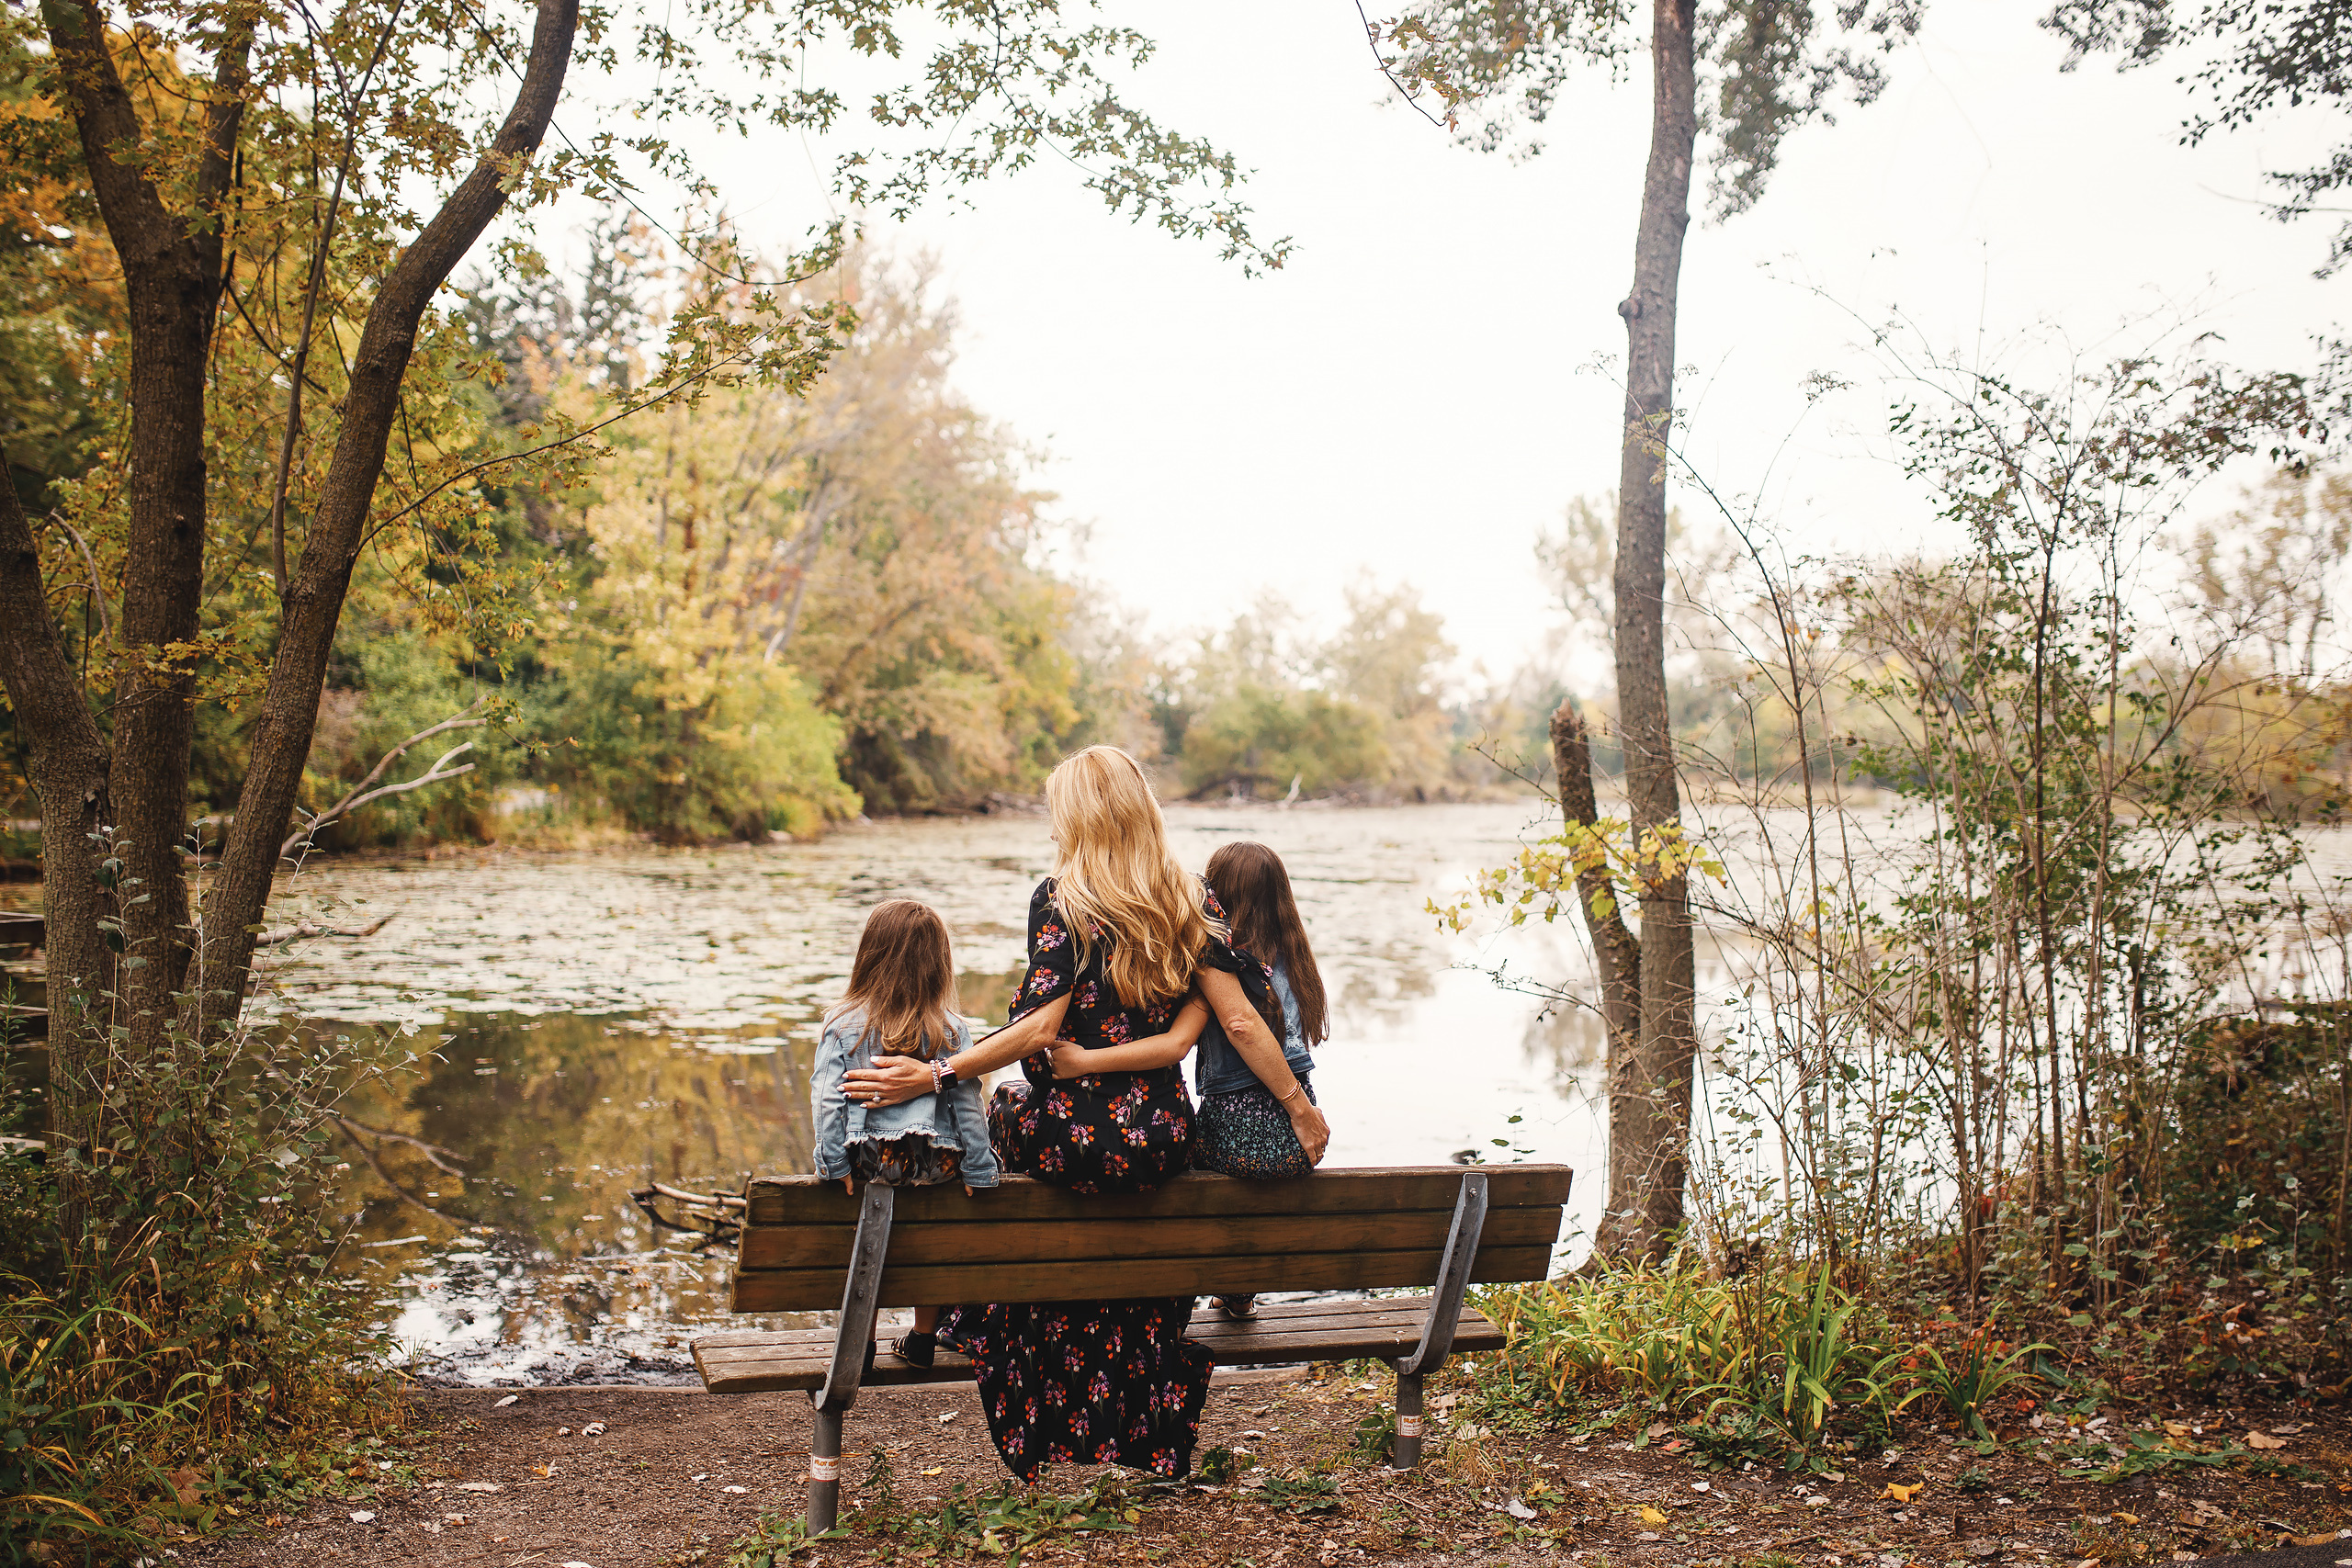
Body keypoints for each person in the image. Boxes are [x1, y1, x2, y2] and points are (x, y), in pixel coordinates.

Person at [841, 746, 1329, 1481]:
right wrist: (1299, 1109)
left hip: (1073, 1141)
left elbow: (1039, 1029)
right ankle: (1123, 1387)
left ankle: (985, 1310)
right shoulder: (1191, 898)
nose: (1050, 828)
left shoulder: (1064, 899)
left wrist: (937, 1069)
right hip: (1161, 1141)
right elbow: (1242, 1022)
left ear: (1081, 817)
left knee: (1003, 1111)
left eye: (1056, 812)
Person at [1048, 840, 1328, 1317]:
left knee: (1168, 1152)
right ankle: (1239, 1292)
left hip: (1243, 1136)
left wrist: (1085, 1060)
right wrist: (1301, 1110)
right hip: (1297, 1142)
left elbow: (1178, 1045)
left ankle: (1185, 1298)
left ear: (1215, 896)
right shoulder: (1296, 961)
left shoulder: (1220, 968)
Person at [808, 898, 998, 1369]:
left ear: (869, 957)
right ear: (939, 966)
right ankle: (921, 1339)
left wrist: (832, 1164)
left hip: (872, 1163)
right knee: (930, 1236)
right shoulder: (951, 1029)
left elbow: (828, 1101)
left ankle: (864, 1342)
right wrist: (978, 1166)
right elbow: (968, 1104)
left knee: (867, 1241)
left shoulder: (843, 1025)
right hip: (937, 1164)